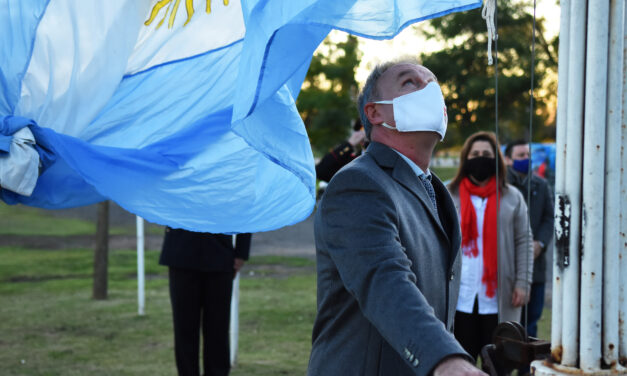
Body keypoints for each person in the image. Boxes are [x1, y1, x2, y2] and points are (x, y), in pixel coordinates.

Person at [308, 59, 486, 376]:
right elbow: (386, 282)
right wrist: (445, 360)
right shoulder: (358, 185)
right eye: (409, 83)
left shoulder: (435, 190)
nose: (429, 91)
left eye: (433, 84)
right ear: (375, 113)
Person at [447, 131, 534, 361]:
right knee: (459, 363)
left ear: (496, 159)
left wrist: (523, 283)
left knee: (498, 364)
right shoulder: (448, 195)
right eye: (475, 154)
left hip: (498, 297)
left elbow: (524, 241)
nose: (480, 158)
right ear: (466, 158)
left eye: (486, 153)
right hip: (460, 297)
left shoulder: (512, 197)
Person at [160, 228, 252, 376]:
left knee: (218, 328)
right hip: (181, 253)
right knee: (184, 328)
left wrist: (242, 251)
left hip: (219, 254)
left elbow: (242, 206)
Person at [504, 139, 554, 338]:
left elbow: (549, 218)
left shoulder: (541, 185)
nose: (526, 159)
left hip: (536, 266)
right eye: (521, 155)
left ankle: (527, 368)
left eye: (528, 155)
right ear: (508, 160)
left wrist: (540, 243)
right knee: (506, 325)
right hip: (507, 265)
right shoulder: (501, 185)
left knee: (531, 321)